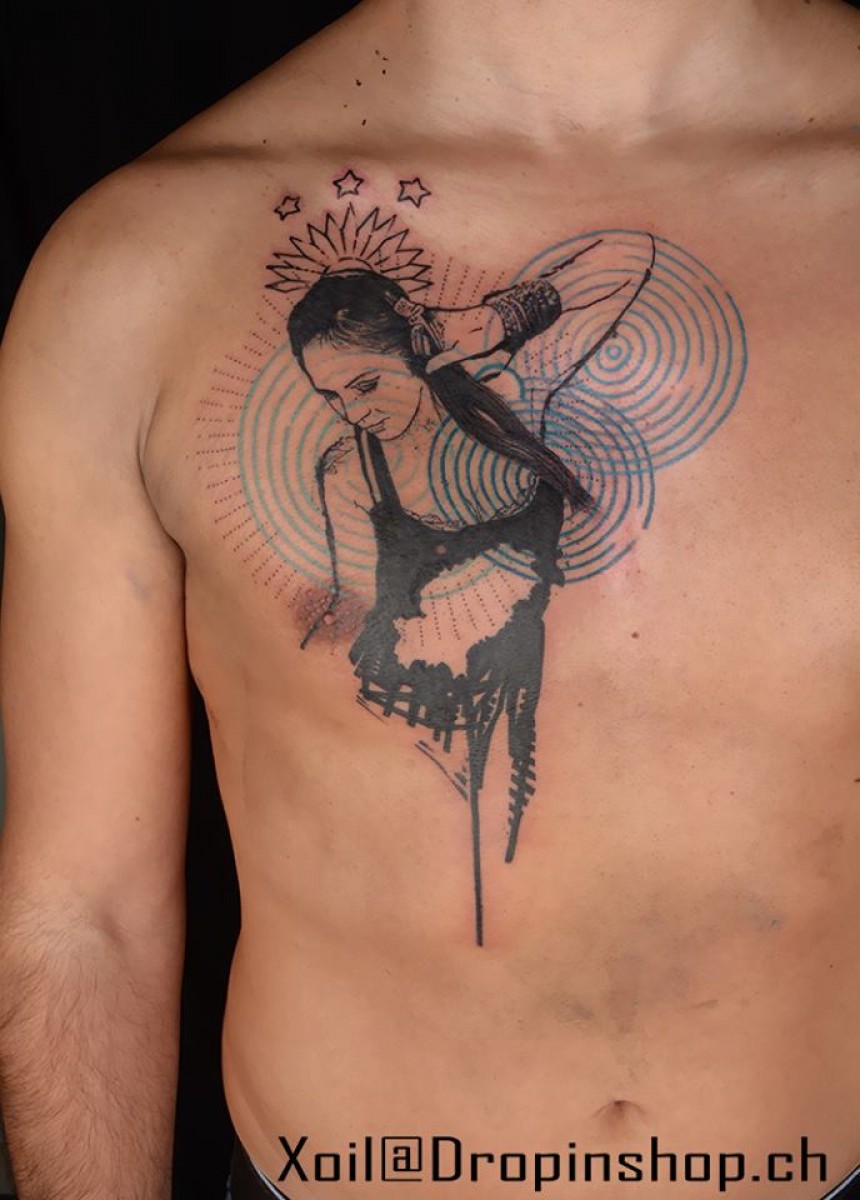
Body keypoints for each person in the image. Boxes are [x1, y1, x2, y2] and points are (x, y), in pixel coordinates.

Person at [0, 2, 859, 1199]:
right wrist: (397, 639)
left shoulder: (515, 389)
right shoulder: (138, 269)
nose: (352, 408)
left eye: (362, 381)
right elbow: (82, 914)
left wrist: (490, 324)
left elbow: (622, 269)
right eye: (329, 395)